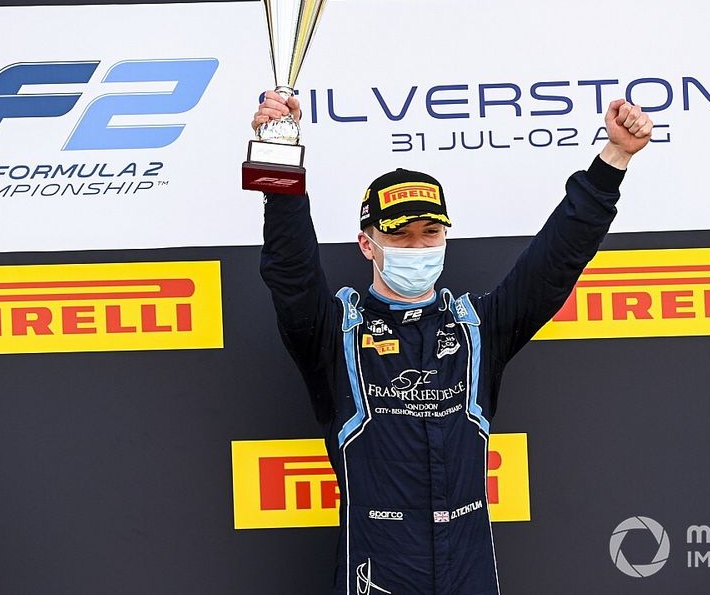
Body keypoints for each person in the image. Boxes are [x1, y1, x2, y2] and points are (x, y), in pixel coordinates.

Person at [255, 91, 653, 594]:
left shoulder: (477, 328)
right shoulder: (334, 332)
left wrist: (613, 159)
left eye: (430, 234)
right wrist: (277, 158)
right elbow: (289, 272)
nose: (418, 247)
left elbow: (557, 261)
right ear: (367, 244)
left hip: (470, 573)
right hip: (378, 574)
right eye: (400, 236)